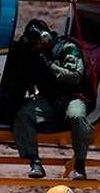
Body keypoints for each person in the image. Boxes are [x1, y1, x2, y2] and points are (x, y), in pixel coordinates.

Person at [11, 18, 94, 180]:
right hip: (50, 100)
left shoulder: (68, 48)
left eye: (36, 43)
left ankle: (80, 165)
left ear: (45, 38)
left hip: (72, 97)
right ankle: (34, 161)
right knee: (23, 115)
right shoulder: (35, 53)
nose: (34, 47)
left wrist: (50, 66)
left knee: (76, 116)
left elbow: (75, 77)